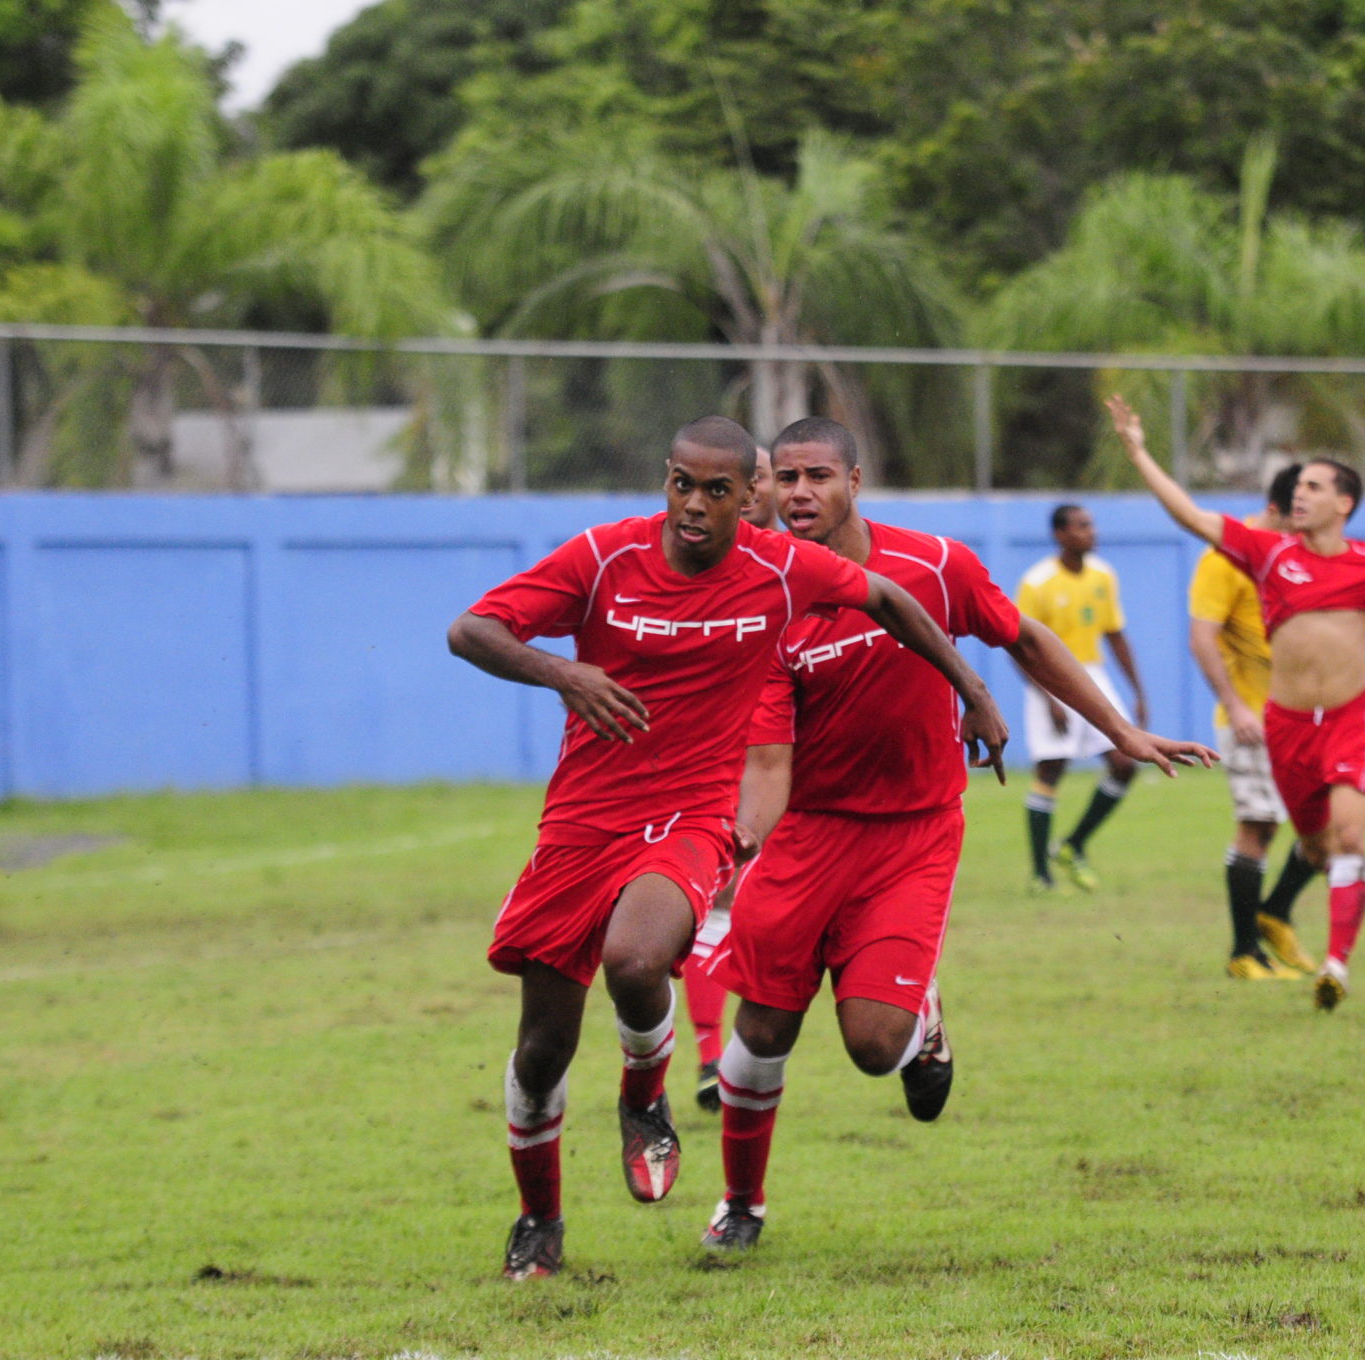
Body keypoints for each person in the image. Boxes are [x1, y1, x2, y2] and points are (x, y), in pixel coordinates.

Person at [448, 415, 1010, 1280]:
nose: (697, 506)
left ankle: (645, 1091)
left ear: (746, 498)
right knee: (540, 1050)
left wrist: (970, 687)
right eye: (683, 485)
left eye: (719, 490)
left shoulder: (779, 568)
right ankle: (540, 1221)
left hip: (691, 814)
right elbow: (472, 631)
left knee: (635, 962)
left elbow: (892, 600)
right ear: (665, 480)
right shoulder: (601, 558)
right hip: (580, 823)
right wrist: (565, 672)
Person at [700, 418, 1216, 1251]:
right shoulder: (766, 599)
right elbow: (765, 761)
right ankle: (741, 1203)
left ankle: (920, 1012)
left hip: (913, 832)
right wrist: (738, 843)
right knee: (762, 1029)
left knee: (874, 1048)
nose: (800, 493)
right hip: (807, 834)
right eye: (786, 477)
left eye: (818, 476)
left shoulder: (937, 565)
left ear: (856, 482)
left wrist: (1120, 732)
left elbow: (1025, 639)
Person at [1108, 395, 1365, 1009]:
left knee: (1349, 838)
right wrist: (1138, 451)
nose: (1300, 494)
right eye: (1299, 486)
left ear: (1343, 503)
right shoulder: (1269, 554)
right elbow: (1191, 517)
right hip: (1285, 727)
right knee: (1316, 849)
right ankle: (1282, 922)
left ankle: (1336, 967)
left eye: (1315, 486)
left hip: (1350, 719)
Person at [1187, 463, 1322, 979]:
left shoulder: (1300, 556)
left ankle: (1277, 912)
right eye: (1299, 518)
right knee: (1259, 826)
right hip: (1252, 717)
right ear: (1276, 508)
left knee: (1330, 826)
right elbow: (1202, 638)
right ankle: (1245, 951)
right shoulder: (1227, 556)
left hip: (1304, 717)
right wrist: (1237, 705)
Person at [680, 443, 777, 1113]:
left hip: (808, 764)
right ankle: (713, 1057)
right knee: (717, 897)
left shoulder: (809, 565)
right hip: (731, 756)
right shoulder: (698, 561)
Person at [1016, 505, 1150, 892]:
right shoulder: (1038, 582)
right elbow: (1019, 645)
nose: (1091, 532)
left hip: (1092, 674)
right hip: (1050, 675)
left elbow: (1115, 634)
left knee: (1125, 763)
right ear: (1060, 534)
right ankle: (1041, 874)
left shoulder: (1103, 575)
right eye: (1081, 526)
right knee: (1052, 769)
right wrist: (1049, 698)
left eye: (1091, 525)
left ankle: (1073, 845)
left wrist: (1137, 692)